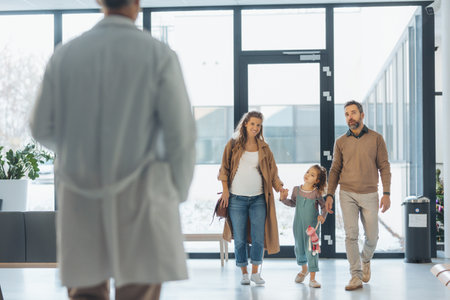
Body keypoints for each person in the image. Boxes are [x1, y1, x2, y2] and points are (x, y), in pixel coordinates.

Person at [29, 0, 196, 299]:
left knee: (85, 291)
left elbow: (41, 127)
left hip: (80, 196)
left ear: (99, 2)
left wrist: (80, 154)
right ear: (137, 5)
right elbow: (180, 135)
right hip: (144, 197)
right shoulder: (158, 54)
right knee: (138, 290)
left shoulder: (66, 55)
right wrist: (177, 192)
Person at [325, 100, 391, 291]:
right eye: (346, 114)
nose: (350, 117)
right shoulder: (341, 142)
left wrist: (386, 193)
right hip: (347, 193)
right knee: (350, 235)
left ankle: (365, 258)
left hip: (370, 193)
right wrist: (329, 194)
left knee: (372, 236)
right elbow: (335, 169)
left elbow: (384, 167)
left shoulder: (376, 138)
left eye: (353, 113)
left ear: (362, 115)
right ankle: (355, 275)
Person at [218, 111, 285, 285]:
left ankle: (256, 272)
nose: (256, 127)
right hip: (236, 200)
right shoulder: (233, 144)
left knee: (258, 238)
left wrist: (280, 188)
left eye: (259, 125)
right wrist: (225, 190)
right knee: (239, 238)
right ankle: (244, 273)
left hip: (258, 199)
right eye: (253, 124)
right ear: (245, 124)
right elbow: (224, 169)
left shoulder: (264, 148)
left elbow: (273, 173)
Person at [280, 165, 328, 289]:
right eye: (307, 172)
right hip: (298, 225)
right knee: (299, 248)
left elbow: (323, 207)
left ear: (317, 181)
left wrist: (322, 216)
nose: (307, 175)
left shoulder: (316, 193)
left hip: (312, 228)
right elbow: (293, 203)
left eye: (312, 175)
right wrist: (284, 199)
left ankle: (312, 278)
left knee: (312, 250)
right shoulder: (296, 190)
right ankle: (304, 269)